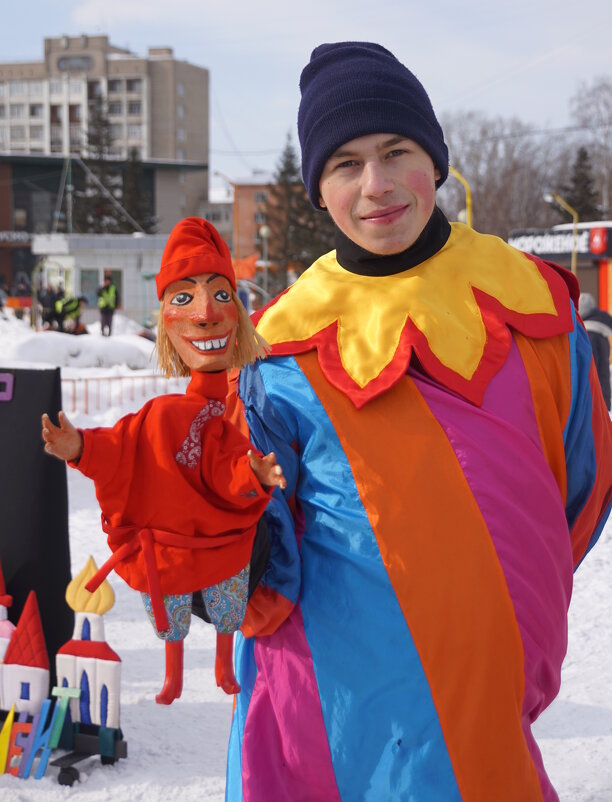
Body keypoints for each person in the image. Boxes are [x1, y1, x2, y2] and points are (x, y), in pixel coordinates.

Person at [224, 42, 612, 801]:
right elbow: (256, 559)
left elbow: (582, 484)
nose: (376, 185)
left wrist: (500, 599)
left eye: (396, 151)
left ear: (435, 160)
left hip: (495, 701)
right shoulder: (277, 350)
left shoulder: (535, 304)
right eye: (345, 164)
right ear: (318, 191)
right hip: (336, 713)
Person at [41, 218, 286, 704]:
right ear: (165, 320)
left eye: (221, 295)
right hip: (171, 549)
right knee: (172, 611)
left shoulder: (239, 404)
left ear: (238, 313)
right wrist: (81, 447)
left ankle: (222, 665)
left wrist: (253, 474)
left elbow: (226, 464)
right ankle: (174, 674)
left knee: (225, 605)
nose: (205, 314)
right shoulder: (161, 415)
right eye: (183, 297)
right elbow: (122, 444)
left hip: (223, 545)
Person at [578, 292, 612, 410]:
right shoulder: (601, 333)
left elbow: (590, 368)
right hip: (603, 395)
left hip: (593, 399)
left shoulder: (588, 334)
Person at [97, 270, 119, 336]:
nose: (107, 282)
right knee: (103, 321)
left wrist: (116, 306)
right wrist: (102, 287)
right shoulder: (101, 288)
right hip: (103, 308)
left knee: (109, 322)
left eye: (108, 281)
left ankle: (109, 334)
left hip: (110, 308)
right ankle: (102, 333)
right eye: (106, 281)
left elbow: (117, 297)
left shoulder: (113, 288)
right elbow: (98, 294)